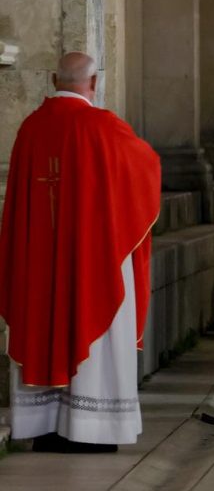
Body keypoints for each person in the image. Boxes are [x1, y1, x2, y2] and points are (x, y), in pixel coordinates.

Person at [0, 53, 160, 453]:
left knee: (43, 319)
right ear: (94, 84)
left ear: (54, 79)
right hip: (93, 262)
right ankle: (93, 429)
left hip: (40, 262)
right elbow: (148, 167)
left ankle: (47, 427)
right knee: (96, 324)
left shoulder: (31, 129)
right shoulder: (104, 129)